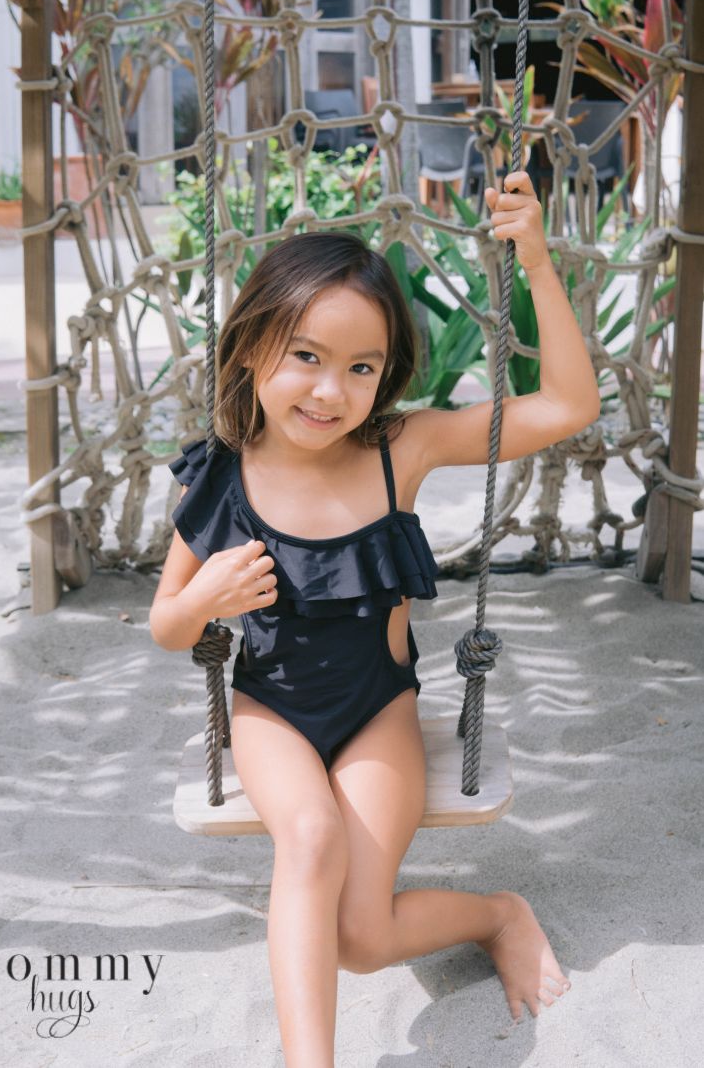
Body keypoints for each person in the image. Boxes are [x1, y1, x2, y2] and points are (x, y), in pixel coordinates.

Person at [150, 172, 599, 1067]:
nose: (330, 392)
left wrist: (540, 265)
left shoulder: (404, 447)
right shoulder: (225, 472)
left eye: (361, 369)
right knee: (308, 838)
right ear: (250, 351)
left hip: (378, 712)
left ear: (387, 377)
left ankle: (498, 913)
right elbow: (166, 622)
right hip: (272, 709)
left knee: (361, 938)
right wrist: (205, 602)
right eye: (307, 357)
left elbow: (568, 408)